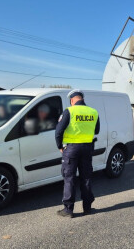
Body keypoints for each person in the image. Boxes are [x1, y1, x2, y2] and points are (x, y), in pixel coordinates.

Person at [55, 89, 100, 218]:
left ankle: (68, 209)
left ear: (72, 100)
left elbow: (58, 131)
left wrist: (60, 146)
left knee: (69, 178)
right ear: (82, 99)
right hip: (87, 148)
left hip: (72, 149)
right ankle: (87, 208)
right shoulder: (94, 112)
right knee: (86, 178)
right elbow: (96, 130)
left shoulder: (69, 111)